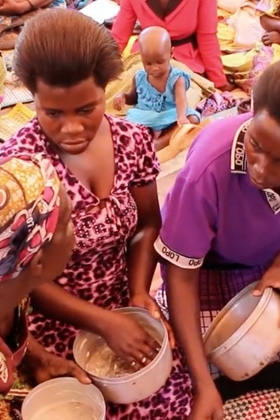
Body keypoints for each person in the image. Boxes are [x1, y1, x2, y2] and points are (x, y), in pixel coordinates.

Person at [1, 9, 194, 418]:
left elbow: (147, 226)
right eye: (53, 113)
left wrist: (139, 294)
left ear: (107, 92)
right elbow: (20, 276)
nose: (71, 128)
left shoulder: (132, 141)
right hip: (55, 321)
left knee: (167, 392)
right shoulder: (23, 168)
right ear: (32, 97)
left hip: (125, 303)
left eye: (86, 109)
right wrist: (100, 322)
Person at [155, 60, 280, 420]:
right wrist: (202, 384)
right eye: (257, 145)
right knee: (193, 365)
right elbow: (180, 275)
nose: (261, 170)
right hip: (208, 268)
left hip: (265, 264)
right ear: (251, 108)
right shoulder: (210, 165)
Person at [0, 153, 91, 395]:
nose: (75, 231)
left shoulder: (10, 287)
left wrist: (37, 357)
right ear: (37, 261)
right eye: (68, 222)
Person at [111, 0, 231, 90]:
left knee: (181, 95)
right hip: (145, 59)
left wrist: (219, 82)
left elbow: (207, 37)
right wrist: (102, 73)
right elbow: (118, 37)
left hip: (187, 62)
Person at [113, 26, 200, 136]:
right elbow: (133, 98)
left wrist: (181, 117)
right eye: (148, 63)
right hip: (145, 116)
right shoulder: (139, 77)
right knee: (125, 127)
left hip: (169, 114)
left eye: (160, 62)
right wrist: (123, 97)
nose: (154, 68)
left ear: (171, 54)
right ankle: (157, 137)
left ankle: (161, 136)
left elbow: (180, 100)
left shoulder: (177, 78)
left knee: (193, 118)